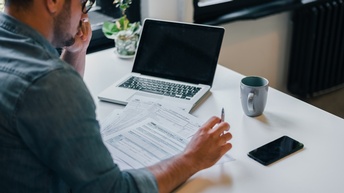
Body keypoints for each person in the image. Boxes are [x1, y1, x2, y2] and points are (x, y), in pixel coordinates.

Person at [0, 0, 233, 193]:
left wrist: (76, 51)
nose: (83, 15)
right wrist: (192, 158)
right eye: (83, 3)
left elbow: (46, 108)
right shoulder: (50, 82)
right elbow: (114, 190)